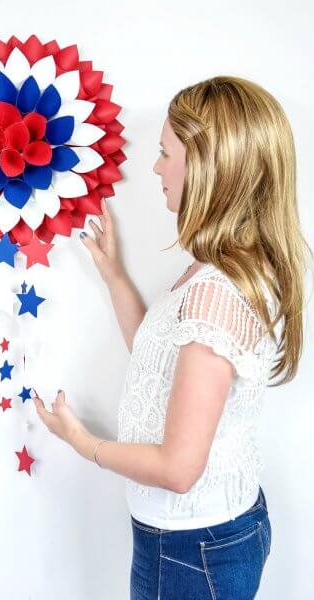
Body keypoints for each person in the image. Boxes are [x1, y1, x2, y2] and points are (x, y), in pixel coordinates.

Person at [32, 75, 313, 599]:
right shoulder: (219, 272)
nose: (156, 167)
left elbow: (179, 469)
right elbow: (162, 365)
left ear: (209, 165)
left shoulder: (218, 292)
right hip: (205, 542)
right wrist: (115, 276)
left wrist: (83, 443)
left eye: (165, 153)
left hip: (192, 552)